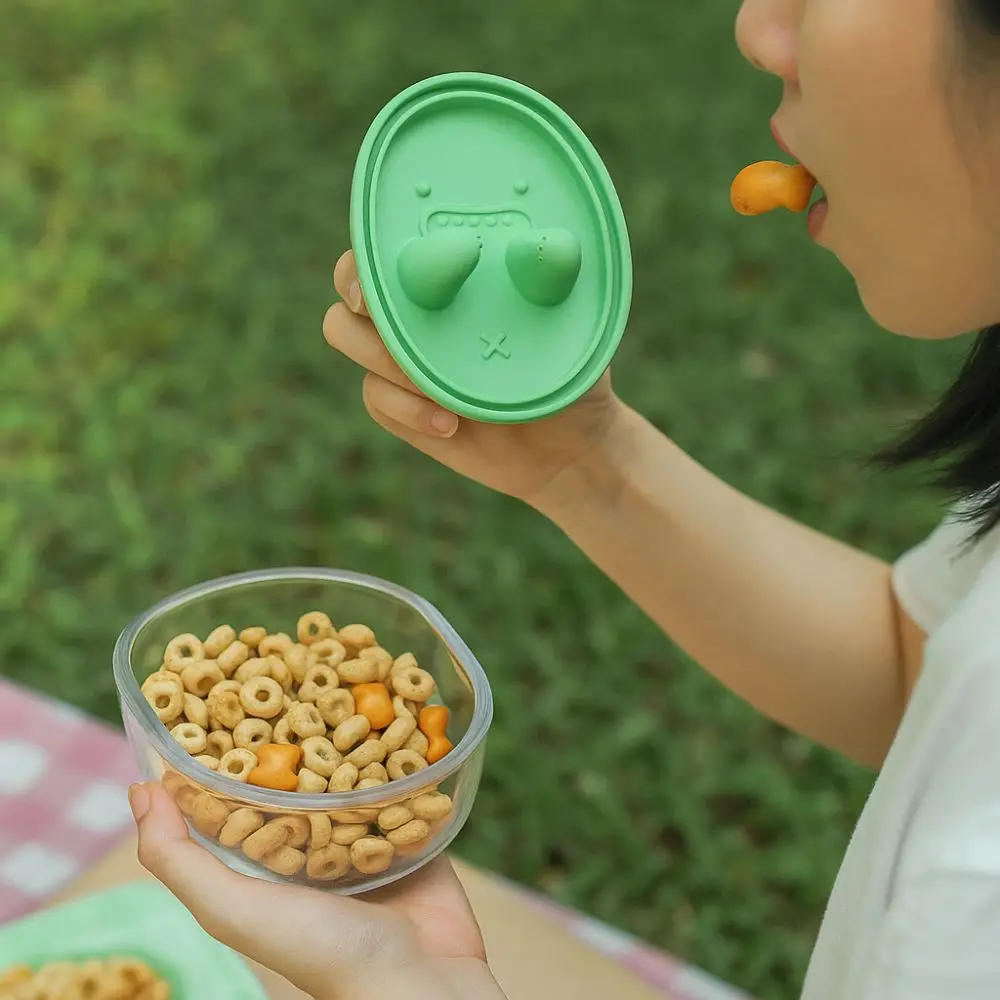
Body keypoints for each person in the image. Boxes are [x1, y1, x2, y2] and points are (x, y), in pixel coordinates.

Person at [130, 0, 1000, 997]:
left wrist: (416, 990)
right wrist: (587, 463)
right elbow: (916, 673)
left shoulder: (975, 896)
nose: (759, 28)